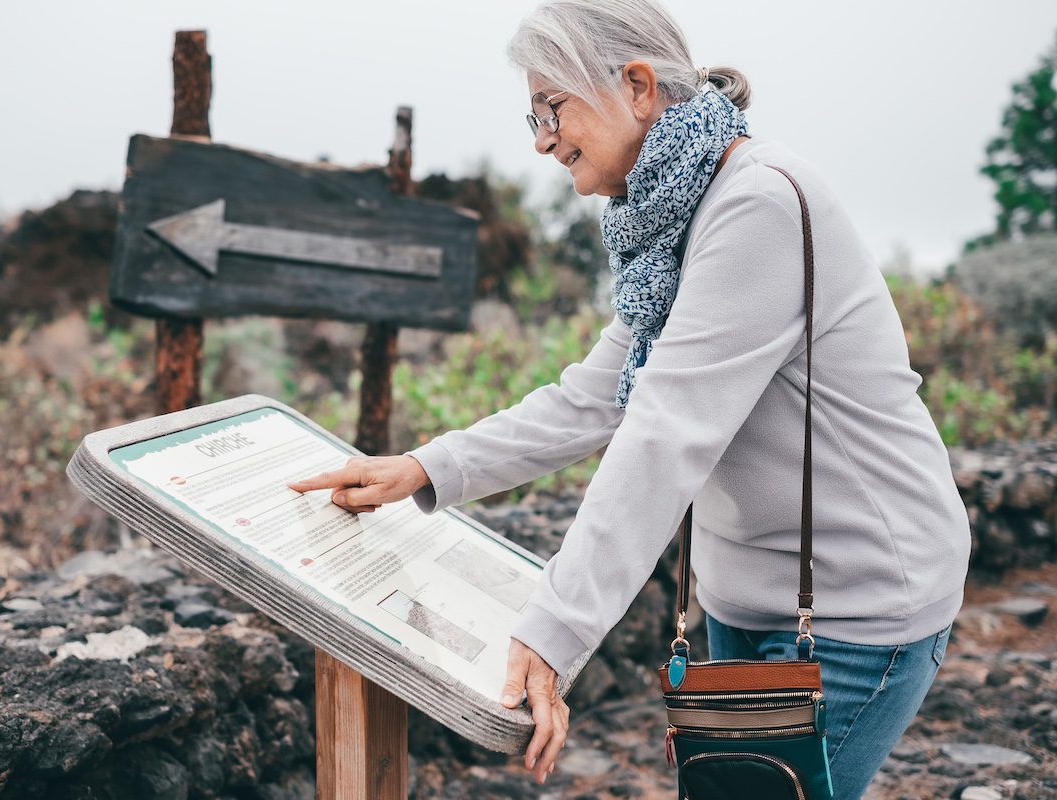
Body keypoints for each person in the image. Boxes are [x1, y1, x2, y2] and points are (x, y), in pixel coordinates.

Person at [289, 1, 970, 797]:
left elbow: (663, 432)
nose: (541, 138)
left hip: (857, 606)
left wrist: (554, 633)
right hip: (746, 599)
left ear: (639, 87)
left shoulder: (758, 205)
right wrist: (424, 468)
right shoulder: (678, 217)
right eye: (532, 116)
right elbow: (596, 397)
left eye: (552, 108)